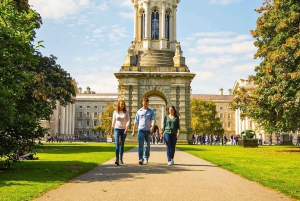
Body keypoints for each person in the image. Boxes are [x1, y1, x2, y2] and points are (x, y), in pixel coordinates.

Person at [132, 97, 156, 165]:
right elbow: (135, 122)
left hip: (148, 130)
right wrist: (133, 131)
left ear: (148, 103)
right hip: (141, 130)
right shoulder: (138, 111)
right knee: (140, 145)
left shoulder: (151, 111)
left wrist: (152, 126)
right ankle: (140, 158)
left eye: (146, 103)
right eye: (144, 103)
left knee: (147, 145)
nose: (145, 104)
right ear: (142, 103)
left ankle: (146, 157)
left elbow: (153, 120)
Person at [110, 100, 130, 166]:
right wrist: (111, 131)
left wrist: (126, 128)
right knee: (117, 144)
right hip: (117, 129)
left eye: (123, 104)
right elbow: (113, 121)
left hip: (124, 129)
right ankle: (117, 159)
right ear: (118, 105)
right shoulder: (115, 112)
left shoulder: (126, 112)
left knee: (122, 144)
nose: (122, 105)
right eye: (121, 104)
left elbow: (128, 120)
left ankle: (121, 158)